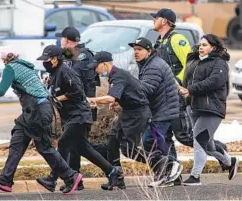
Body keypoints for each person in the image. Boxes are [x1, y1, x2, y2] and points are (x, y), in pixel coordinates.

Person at [0, 52, 82, 194]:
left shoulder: (10, 68)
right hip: (34, 111)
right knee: (17, 140)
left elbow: (1, 90)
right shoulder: (27, 67)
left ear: (4, 60)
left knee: (45, 147)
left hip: (37, 111)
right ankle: (5, 180)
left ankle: (71, 176)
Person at [151, 8, 228, 184]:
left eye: (156, 18)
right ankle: (174, 174)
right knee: (164, 135)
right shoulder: (159, 41)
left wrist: (181, 85)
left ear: (164, 21)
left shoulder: (177, 39)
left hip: (177, 94)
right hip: (163, 96)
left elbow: (187, 64)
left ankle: (220, 151)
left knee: (185, 135)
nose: (153, 20)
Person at [35, 45, 123, 192]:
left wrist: (57, 99)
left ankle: (55, 178)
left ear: (55, 59)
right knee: (84, 148)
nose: (45, 63)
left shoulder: (65, 71)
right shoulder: (55, 73)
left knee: (63, 143)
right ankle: (112, 171)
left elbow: (77, 92)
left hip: (79, 115)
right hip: (71, 116)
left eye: (47, 60)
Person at [87, 51, 155, 189]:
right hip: (128, 111)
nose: (95, 71)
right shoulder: (114, 76)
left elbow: (111, 97)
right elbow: (120, 94)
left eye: (96, 67)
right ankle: (117, 178)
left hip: (138, 113)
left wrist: (92, 100)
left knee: (128, 149)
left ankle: (162, 164)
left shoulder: (118, 76)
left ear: (105, 65)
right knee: (112, 141)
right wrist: (116, 101)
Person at [179, 34, 239, 186]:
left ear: (214, 47)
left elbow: (214, 82)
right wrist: (185, 95)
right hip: (193, 106)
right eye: (200, 45)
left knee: (199, 140)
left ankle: (195, 176)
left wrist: (191, 89)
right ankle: (230, 161)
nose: (201, 47)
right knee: (208, 145)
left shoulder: (220, 63)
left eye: (205, 45)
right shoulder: (193, 60)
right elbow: (186, 81)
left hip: (211, 109)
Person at [128, 37, 182, 187]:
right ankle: (170, 176)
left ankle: (171, 166)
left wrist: (126, 89)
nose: (136, 53)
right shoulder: (148, 63)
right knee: (162, 142)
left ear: (149, 51)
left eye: (139, 50)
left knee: (149, 141)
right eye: (134, 50)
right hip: (162, 109)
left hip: (162, 111)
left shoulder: (153, 66)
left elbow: (146, 89)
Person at [56, 26, 100, 191]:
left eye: (62, 39)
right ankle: (76, 179)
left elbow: (88, 83)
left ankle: (111, 168)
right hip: (69, 108)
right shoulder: (68, 55)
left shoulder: (83, 56)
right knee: (78, 145)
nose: (60, 41)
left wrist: (89, 105)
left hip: (81, 107)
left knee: (76, 145)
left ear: (67, 40)